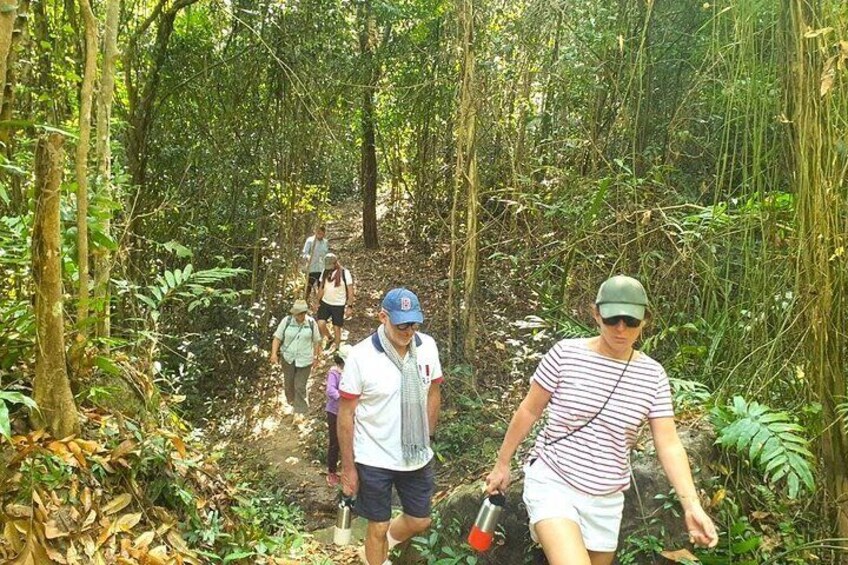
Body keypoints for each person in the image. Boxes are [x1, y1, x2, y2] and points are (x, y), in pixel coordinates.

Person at [485, 275, 718, 565]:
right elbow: (529, 410)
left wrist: (691, 504)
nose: (621, 329)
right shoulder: (565, 354)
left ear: (645, 320)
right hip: (554, 480)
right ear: (596, 313)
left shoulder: (653, 376)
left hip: (606, 499)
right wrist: (502, 463)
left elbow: (668, 443)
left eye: (630, 321)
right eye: (612, 319)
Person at [338, 288, 443, 565]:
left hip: (416, 453)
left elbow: (434, 390)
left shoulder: (427, 346)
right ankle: (377, 556)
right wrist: (348, 467)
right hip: (374, 455)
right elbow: (345, 415)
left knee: (420, 519)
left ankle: (375, 551)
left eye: (414, 323)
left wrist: (428, 434)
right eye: (402, 324)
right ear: (382, 317)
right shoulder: (361, 356)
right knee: (378, 527)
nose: (409, 330)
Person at [269, 299, 322, 418]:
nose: (300, 316)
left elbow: (317, 341)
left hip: (305, 359)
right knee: (289, 384)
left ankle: (300, 412)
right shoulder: (286, 321)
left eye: (302, 313)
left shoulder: (311, 323)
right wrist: (274, 354)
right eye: (298, 313)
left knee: (300, 385)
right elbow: (277, 338)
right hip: (288, 358)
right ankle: (292, 402)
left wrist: (316, 357)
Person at [316, 252, 354, 352]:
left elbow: (350, 290)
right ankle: (329, 337)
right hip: (325, 302)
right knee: (321, 323)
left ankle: (337, 348)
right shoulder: (325, 271)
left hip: (338, 304)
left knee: (337, 327)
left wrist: (349, 306)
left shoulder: (345, 273)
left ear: (335, 263)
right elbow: (321, 287)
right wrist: (317, 301)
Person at [325, 343, 351, 488]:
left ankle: (347, 471)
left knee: (349, 442)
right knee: (335, 442)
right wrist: (345, 399)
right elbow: (330, 390)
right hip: (335, 411)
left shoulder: (352, 372)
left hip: (350, 413)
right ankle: (332, 472)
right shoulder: (334, 372)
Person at [302, 226, 329, 301]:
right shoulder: (310, 241)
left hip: (322, 269)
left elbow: (326, 254)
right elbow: (304, 253)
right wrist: (308, 257)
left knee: (322, 288)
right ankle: (304, 305)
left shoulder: (325, 242)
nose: (320, 234)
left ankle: (320, 306)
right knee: (308, 288)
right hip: (311, 268)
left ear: (324, 233)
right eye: (318, 232)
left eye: (322, 232)